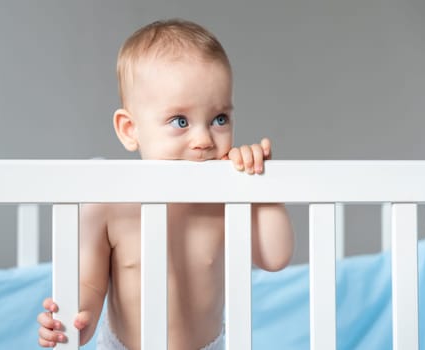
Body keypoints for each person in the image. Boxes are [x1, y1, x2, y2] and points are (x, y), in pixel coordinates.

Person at [37, 19, 294, 350]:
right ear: (130, 129)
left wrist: (259, 187)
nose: (202, 139)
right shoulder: (108, 200)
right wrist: (74, 322)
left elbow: (276, 257)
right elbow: (88, 283)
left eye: (219, 119)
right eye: (180, 121)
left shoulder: (227, 195)